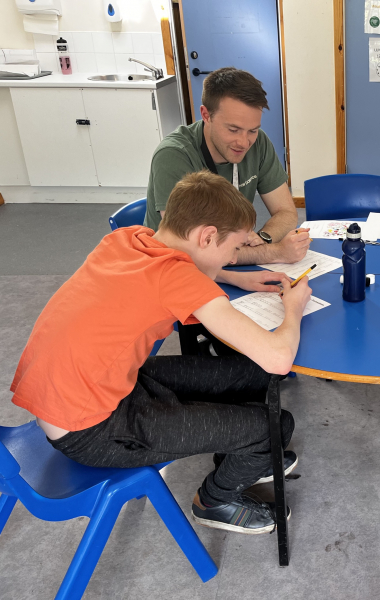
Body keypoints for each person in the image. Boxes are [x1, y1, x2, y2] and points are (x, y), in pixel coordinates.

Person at [11, 171, 312, 534]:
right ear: (207, 236)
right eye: (234, 250)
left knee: (256, 375)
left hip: (97, 390)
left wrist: (233, 277)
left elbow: (173, 275)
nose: (234, 258)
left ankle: (241, 452)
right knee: (274, 427)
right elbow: (279, 357)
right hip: (90, 429)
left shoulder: (128, 239)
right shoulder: (177, 278)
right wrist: (294, 306)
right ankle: (214, 502)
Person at [143, 67, 309, 267]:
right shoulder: (173, 155)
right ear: (206, 115)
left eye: (252, 130)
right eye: (233, 129)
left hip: (221, 265)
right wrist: (274, 252)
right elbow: (194, 248)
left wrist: (263, 238)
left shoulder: (259, 143)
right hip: (171, 266)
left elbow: (287, 212)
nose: (244, 142)